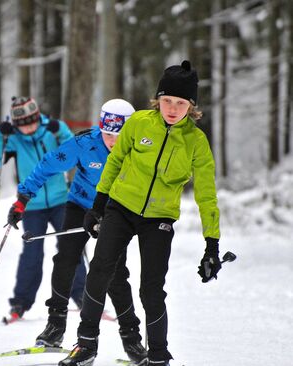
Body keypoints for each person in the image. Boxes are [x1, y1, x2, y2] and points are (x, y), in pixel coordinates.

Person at [61, 61, 222, 366]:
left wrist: (211, 245)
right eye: (167, 101)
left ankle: (158, 357)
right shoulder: (137, 124)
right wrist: (97, 207)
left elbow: (207, 195)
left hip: (159, 218)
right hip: (120, 207)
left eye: (180, 102)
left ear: (191, 105)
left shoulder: (196, 143)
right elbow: (114, 162)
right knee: (100, 271)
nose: (172, 108)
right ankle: (86, 346)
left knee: (151, 289)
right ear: (157, 100)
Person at [8, 99, 147, 365]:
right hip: (81, 205)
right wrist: (23, 198)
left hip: (116, 213)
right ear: (100, 128)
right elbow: (47, 165)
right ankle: (55, 326)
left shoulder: (139, 149)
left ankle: (132, 339)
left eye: (119, 135)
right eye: (107, 134)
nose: (112, 141)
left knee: (116, 274)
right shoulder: (84, 144)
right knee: (65, 259)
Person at [0, 96, 86, 320]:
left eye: (31, 122)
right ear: (16, 125)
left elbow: (75, 148)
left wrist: (60, 128)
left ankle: (83, 296)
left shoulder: (51, 131)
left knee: (71, 249)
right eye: (22, 125)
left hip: (62, 200)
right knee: (32, 253)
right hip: (32, 205)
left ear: (37, 117)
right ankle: (20, 303)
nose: (28, 129)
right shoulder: (13, 139)